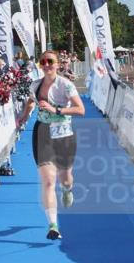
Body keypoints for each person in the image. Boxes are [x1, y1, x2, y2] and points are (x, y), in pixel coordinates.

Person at [17, 50, 85, 240]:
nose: (46, 65)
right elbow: (31, 101)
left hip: (64, 134)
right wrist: (24, 116)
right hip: (43, 133)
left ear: (57, 64)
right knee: (48, 181)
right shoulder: (35, 84)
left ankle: (67, 189)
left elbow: (81, 109)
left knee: (65, 178)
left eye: (50, 61)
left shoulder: (66, 85)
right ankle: (53, 225)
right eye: (43, 62)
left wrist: (56, 109)